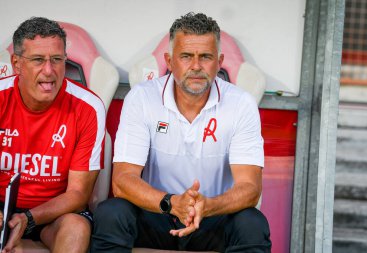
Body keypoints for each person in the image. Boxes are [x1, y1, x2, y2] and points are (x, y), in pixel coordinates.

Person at [91, 12, 271, 253]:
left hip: (212, 216)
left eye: (205, 57)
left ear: (219, 62)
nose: (196, 66)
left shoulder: (241, 104)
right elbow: (123, 181)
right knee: (111, 214)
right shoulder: (142, 98)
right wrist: (171, 202)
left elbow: (250, 188)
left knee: (252, 223)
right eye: (186, 56)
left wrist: (208, 206)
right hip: (157, 211)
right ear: (169, 60)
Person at [0, 17, 105, 253]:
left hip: (56, 211)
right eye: (38, 60)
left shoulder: (88, 107)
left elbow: (78, 193)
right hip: (1, 207)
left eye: (57, 60)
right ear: (16, 63)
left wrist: (28, 217)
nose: (49, 71)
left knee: (77, 228)